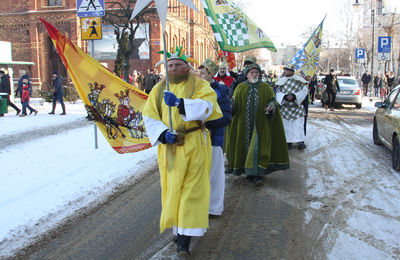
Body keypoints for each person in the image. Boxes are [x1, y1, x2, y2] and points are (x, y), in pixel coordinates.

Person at [142, 47, 222, 256]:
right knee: (173, 189)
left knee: (191, 190)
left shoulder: (200, 84)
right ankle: (179, 228)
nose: (174, 68)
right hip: (170, 148)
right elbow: (149, 116)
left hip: (195, 144)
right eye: (170, 65)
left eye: (178, 64)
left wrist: (180, 103)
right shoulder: (159, 89)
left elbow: (208, 107)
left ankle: (184, 241)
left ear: (187, 67)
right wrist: (161, 133)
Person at [225, 63, 289, 187]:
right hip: (243, 125)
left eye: (256, 73)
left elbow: (273, 100)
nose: (254, 75)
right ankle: (249, 172)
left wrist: (271, 106)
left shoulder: (265, 87)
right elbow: (235, 103)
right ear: (247, 75)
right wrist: (230, 107)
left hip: (260, 125)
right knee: (245, 147)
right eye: (251, 72)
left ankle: (258, 174)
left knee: (258, 147)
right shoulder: (240, 88)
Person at [198, 58, 232, 217]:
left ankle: (214, 208)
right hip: (196, 141)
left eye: (203, 72)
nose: (199, 75)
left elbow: (226, 117)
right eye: (198, 72)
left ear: (211, 74)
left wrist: (207, 123)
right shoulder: (193, 89)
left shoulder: (220, 90)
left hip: (214, 140)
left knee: (214, 175)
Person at [275, 64, 309, 150]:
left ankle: (300, 142)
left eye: (287, 70)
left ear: (291, 71)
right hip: (285, 108)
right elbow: (277, 92)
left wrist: (294, 96)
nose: (285, 72)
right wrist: (285, 96)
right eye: (285, 70)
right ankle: (287, 142)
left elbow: (304, 91)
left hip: (297, 108)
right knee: (286, 126)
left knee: (298, 125)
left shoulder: (299, 81)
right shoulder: (281, 81)